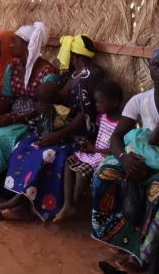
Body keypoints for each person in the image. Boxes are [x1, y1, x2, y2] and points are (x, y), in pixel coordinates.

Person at [0, 34, 103, 220]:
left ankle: (26, 206)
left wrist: (57, 136)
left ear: (74, 55)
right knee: (24, 146)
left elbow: (84, 116)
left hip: (76, 135)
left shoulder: (91, 76)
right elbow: (57, 99)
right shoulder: (70, 75)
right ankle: (21, 200)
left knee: (47, 154)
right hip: (59, 129)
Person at [92, 44, 159, 273]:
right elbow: (116, 138)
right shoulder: (139, 101)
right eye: (157, 64)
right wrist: (124, 159)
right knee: (106, 174)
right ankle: (120, 239)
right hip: (138, 155)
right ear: (150, 68)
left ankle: (140, 255)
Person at [0, 22, 56, 201]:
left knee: (0, 137)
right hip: (13, 116)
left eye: (14, 42)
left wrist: (13, 118)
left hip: (32, 122)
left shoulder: (47, 72)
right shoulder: (12, 68)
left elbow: (42, 109)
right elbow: (7, 97)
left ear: (27, 46)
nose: (10, 45)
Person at [54, 80, 123, 224]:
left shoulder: (122, 124)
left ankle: (74, 203)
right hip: (94, 152)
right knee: (68, 163)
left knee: (81, 171)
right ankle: (68, 203)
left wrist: (95, 149)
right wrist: (89, 145)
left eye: (100, 102)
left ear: (115, 102)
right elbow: (97, 135)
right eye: (96, 101)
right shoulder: (101, 117)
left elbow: (116, 149)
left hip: (106, 157)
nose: (97, 105)